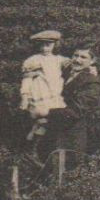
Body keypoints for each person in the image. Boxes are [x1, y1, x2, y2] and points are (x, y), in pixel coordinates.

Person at [19, 30, 68, 160]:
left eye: (48, 45)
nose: (45, 48)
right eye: (42, 45)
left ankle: (48, 149)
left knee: (53, 123)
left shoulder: (59, 60)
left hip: (55, 96)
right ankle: (34, 147)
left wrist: (91, 66)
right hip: (41, 95)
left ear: (54, 45)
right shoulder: (33, 61)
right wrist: (25, 97)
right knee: (42, 118)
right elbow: (27, 79)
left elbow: (74, 64)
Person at [59, 46, 100, 164]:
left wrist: (47, 112)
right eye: (75, 55)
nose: (77, 60)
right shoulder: (63, 74)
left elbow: (78, 110)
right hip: (56, 131)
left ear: (92, 61)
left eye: (83, 57)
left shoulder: (92, 81)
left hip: (74, 135)